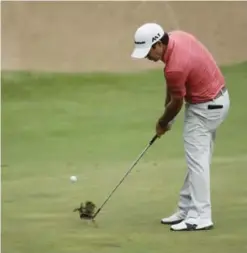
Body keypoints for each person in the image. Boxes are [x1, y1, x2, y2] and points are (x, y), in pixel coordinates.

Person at [131, 23, 230, 231]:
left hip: (205, 107)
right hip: (218, 99)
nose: (147, 57)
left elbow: (177, 100)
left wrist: (162, 122)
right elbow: (174, 86)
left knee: (197, 162)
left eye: (148, 51)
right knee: (198, 159)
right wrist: (167, 113)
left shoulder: (174, 67)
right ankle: (186, 209)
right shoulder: (177, 37)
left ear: (158, 44)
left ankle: (201, 216)